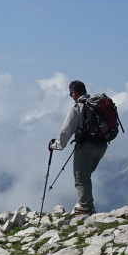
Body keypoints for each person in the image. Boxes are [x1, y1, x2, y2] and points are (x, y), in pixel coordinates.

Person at [49, 79, 105, 215]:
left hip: (86, 146)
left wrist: (55, 146)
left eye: (70, 94)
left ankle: (86, 208)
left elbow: (66, 130)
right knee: (86, 175)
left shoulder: (77, 107)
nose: (71, 96)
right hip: (102, 144)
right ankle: (87, 204)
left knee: (81, 177)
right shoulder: (97, 104)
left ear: (74, 93)